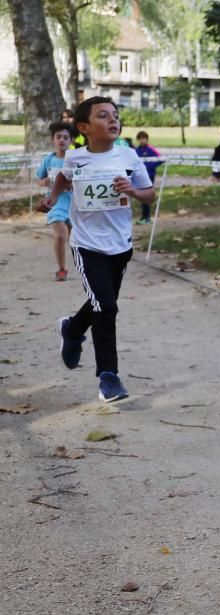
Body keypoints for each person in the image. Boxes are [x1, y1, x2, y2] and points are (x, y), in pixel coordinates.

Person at [43, 96, 156, 402]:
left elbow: (149, 194)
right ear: (84, 127)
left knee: (101, 303)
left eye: (115, 115)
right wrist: (53, 199)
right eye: (103, 116)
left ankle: (71, 328)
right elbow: (63, 180)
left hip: (120, 245)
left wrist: (133, 190)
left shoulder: (128, 156)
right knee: (106, 307)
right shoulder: (76, 158)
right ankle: (108, 377)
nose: (113, 120)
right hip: (87, 244)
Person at [35, 121, 74, 281]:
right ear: (53, 139)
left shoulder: (76, 158)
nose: (62, 140)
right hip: (55, 201)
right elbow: (39, 178)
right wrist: (43, 182)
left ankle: (86, 265)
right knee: (60, 235)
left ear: (71, 141)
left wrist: (73, 182)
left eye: (66, 137)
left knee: (75, 239)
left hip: (75, 202)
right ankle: (61, 269)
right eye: (59, 137)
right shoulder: (48, 160)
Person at [134, 130, 162, 225]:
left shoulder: (151, 149)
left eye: (144, 138)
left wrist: (151, 166)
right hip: (139, 176)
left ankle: (147, 217)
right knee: (141, 196)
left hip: (149, 175)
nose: (142, 140)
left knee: (146, 195)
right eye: (140, 139)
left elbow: (161, 159)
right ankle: (144, 216)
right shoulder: (136, 150)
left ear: (147, 139)